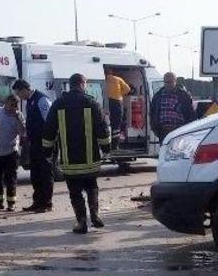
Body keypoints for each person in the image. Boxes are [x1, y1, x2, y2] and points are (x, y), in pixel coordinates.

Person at [42, 73, 111, 234]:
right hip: (90, 159)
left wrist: (47, 152)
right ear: (82, 84)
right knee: (92, 187)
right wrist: (106, 149)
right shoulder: (92, 103)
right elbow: (102, 128)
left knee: (75, 192)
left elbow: (49, 130)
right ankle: (95, 215)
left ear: (70, 85)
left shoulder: (58, 104)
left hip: (69, 160)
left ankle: (81, 222)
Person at [12, 79, 54, 213]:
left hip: (45, 143)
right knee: (35, 174)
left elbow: (50, 121)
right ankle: (38, 201)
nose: (19, 97)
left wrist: (49, 142)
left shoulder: (41, 100)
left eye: (18, 93)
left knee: (45, 174)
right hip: (34, 143)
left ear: (24, 89)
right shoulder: (29, 101)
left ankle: (47, 203)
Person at [0, 94, 26, 212]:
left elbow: (22, 133)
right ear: (5, 103)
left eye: (16, 105)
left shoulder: (18, 115)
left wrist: (17, 118)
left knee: (11, 179)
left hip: (11, 152)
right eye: (11, 104)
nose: (13, 107)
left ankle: (11, 203)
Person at [149, 72, 196, 143]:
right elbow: (152, 113)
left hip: (179, 131)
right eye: (166, 82)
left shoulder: (183, 95)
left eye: (170, 82)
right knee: (164, 153)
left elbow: (191, 113)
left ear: (175, 81)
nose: (168, 84)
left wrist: (188, 130)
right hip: (163, 132)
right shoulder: (158, 96)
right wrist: (155, 128)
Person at [105, 69, 131, 150]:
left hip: (108, 102)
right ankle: (115, 145)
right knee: (116, 124)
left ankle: (109, 142)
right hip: (117, 102)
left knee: (109, 123)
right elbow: (128, 89)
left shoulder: (105, 80)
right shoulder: (118, 79)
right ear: (112, 73)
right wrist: (120, 94)